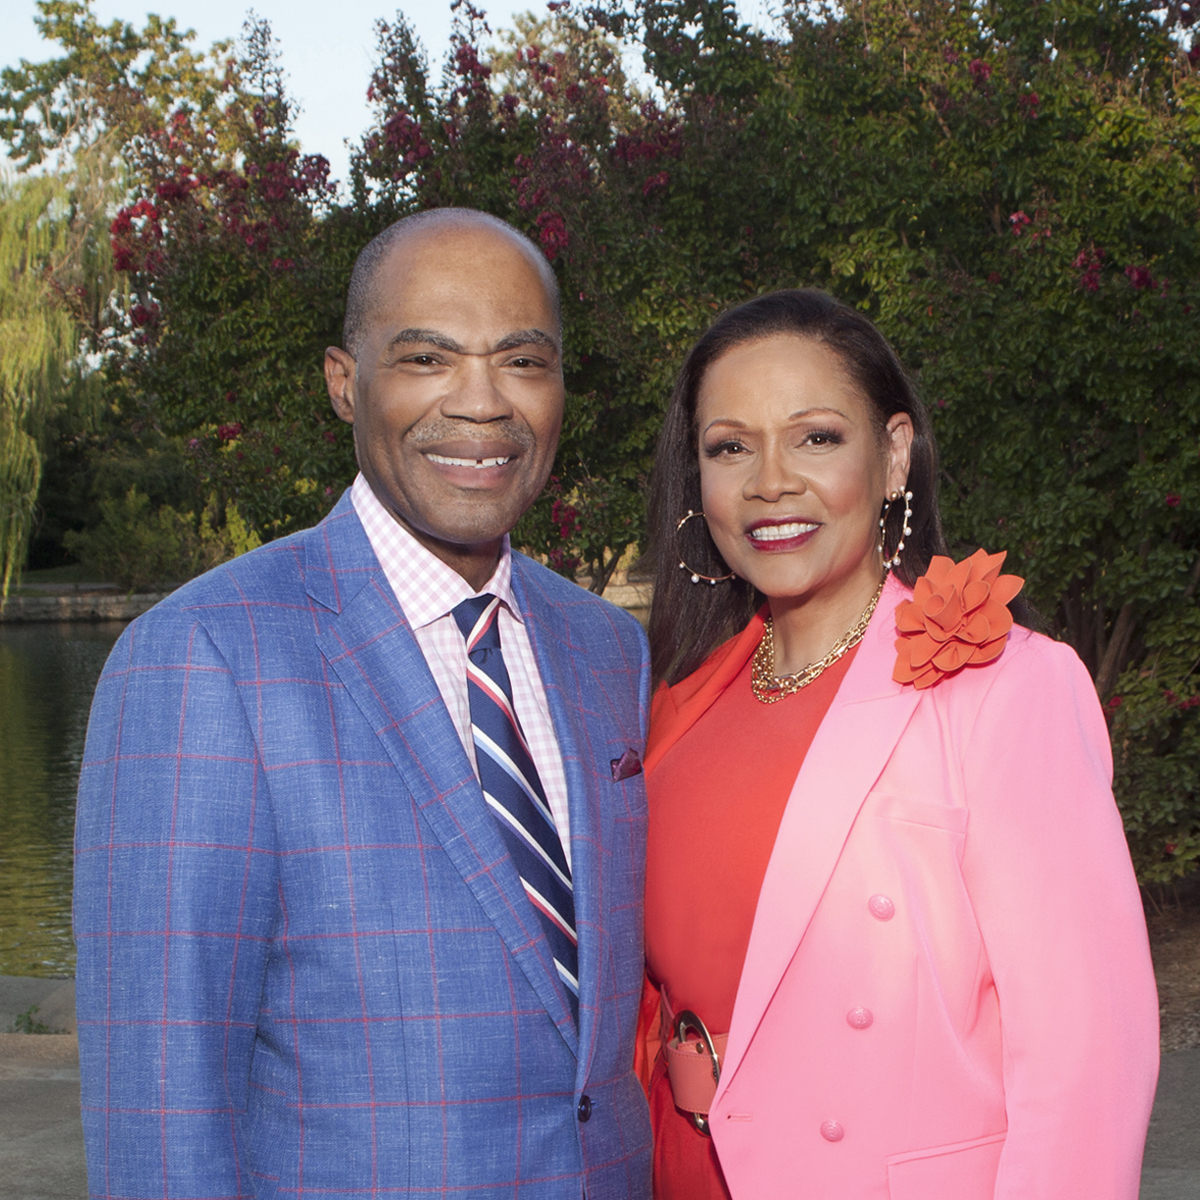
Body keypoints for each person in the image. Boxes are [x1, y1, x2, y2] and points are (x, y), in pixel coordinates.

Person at [74, 208, 653, 1199]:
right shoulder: (201, 658)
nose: (482, 405)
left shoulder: (608, 650)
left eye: (522, 362)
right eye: (428, 358)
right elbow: (164, 1113)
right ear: (346, 383)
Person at [638, 289, 1159, 1199]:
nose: (770, 482)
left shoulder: (1001, 688)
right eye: (730, 447)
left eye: (815, 437)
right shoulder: (677, 705)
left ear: (893, 456)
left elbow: (1087, 1060)